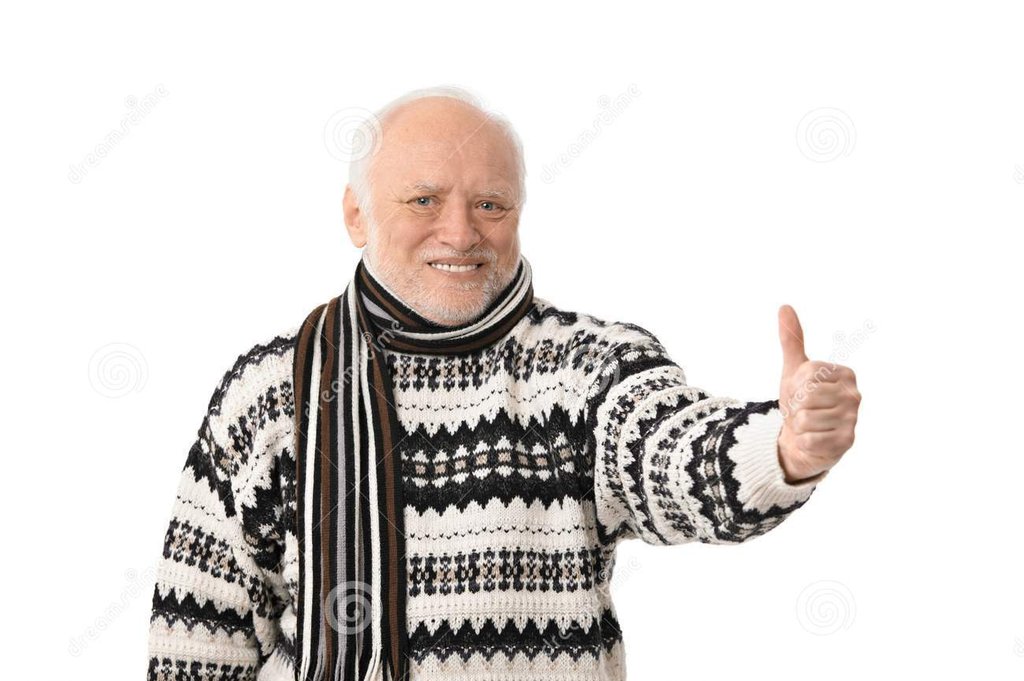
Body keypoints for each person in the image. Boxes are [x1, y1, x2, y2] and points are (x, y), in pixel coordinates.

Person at [146, 85, 861, 681]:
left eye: (490, 204)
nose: (460, 233)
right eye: (424, 200)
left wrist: (784, 448)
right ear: (356, 214)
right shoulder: (272, 392)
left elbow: (672, 452)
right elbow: (196, 638)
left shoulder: (583, 367)